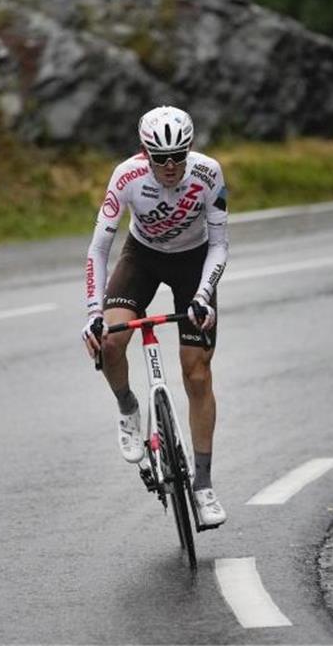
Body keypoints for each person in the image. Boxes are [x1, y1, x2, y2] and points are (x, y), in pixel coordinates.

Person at [82, 105, 229, 528]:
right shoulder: (126, 176)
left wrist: (202, 296)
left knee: (197, 373)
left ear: (190, 150)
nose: (169, 166)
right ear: (144, 152)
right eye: (159, 157)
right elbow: (99, 249)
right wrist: (93, 313)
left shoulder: (209, 174)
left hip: (193, 264)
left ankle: (202, 485)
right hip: (142, 258)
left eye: (178, 156)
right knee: (109, 340)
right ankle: (128, 406)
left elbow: (219, 244)